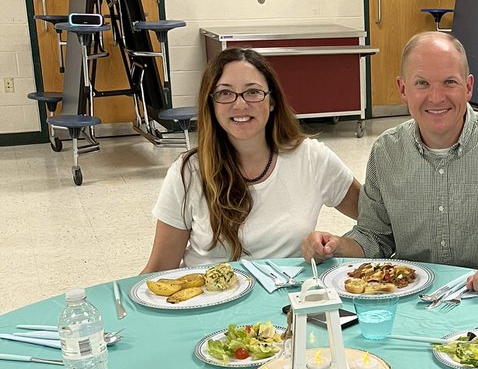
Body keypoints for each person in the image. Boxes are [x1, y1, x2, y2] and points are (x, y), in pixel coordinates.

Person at [302, 32, 478, 293]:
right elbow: (374, 236)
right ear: (403, 89)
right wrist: (336, 246)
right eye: (422, 83)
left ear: (468, 87)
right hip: (412, 301)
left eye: (449, 82)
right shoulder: (386, 152)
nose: (436, 97)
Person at [143, 48, 360, 271]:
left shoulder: (312, 158)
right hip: (209, 293)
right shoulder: (188, 172)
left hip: (290, 292)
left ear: (272, 101)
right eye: (225, 93)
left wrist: (338, 245)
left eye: (253, 92)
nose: (240, 104)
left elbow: (376, 220)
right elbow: (159, 268)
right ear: (211, 104)